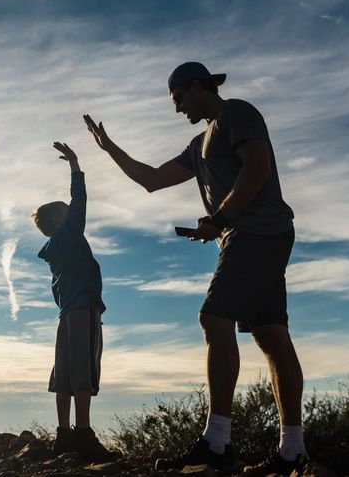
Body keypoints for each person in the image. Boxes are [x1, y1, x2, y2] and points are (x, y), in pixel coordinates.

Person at [84, 62, 306, 475]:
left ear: (198, 86)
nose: (177, 108)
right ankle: (292, 451)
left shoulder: (236, 113)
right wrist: (109, 148)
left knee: (214, 317)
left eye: (178, 98)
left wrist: (219, 219)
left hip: (256, 232)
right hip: (254, 235)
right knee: (271, 334)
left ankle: (217, 443)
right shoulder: (196, 144)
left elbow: (257, 169)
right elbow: (151, 179)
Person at [33, 142, 115, 463]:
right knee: (84, 369)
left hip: (66, 313)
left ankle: (64, 435)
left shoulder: (55, 251)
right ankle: (84, 434)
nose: (72, 212)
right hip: (82, 308)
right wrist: (76, 166)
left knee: (65, 371)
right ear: (59, 219)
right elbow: (79, 199)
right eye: (65, 212)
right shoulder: (68, 236)